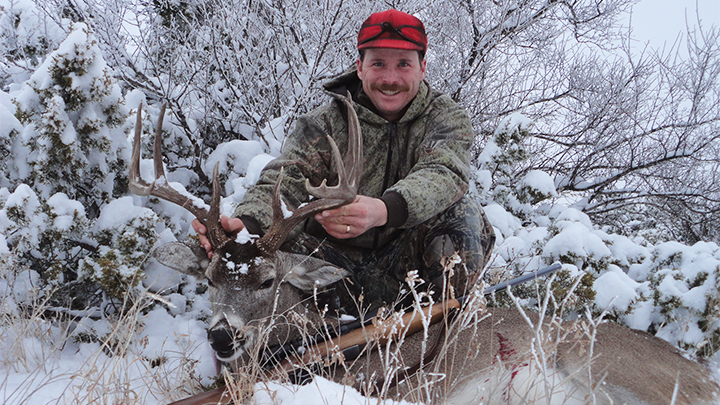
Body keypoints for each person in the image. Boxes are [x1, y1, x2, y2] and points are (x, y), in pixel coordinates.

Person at [193, 9, 495, 313]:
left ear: (422, 68)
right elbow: (287, 181)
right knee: (269, 253)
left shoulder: (445, 117)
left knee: (462, 212)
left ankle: (447, 330)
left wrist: (382, 210)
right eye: (378, 64)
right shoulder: (322, 125)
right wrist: (247, 227)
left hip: (411, 267)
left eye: (403, 64)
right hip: (333, 266)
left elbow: (443, 173)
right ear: (360, 68)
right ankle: (268, 345)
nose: (390, 79)